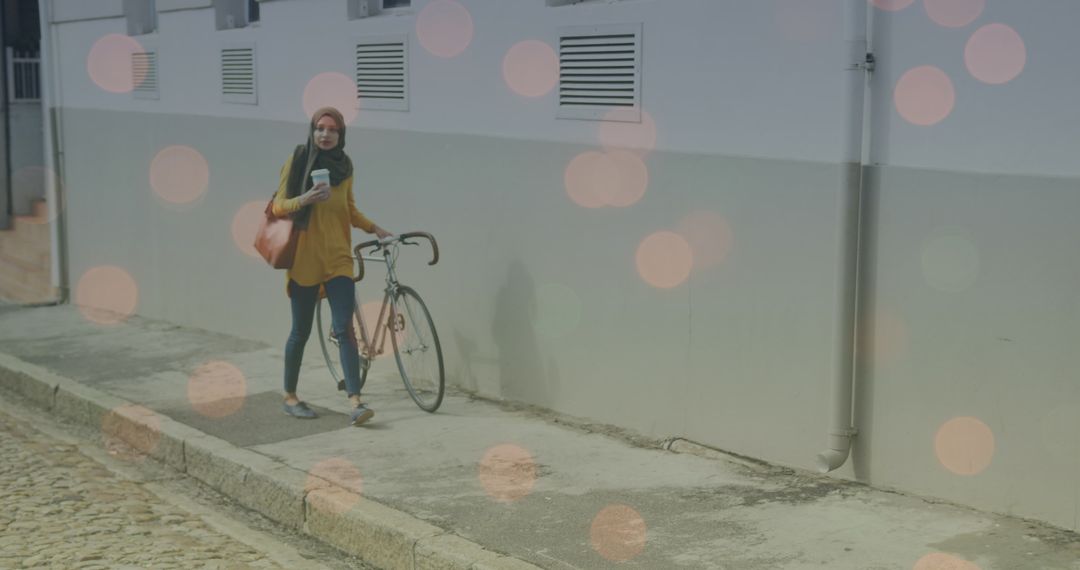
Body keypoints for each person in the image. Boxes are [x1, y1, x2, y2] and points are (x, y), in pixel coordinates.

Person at [272, 107, 391, 426]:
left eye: (332, 130)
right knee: (301, 330)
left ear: (341, 135)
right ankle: (290, 396)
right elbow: (278, 205)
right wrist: (305, 199)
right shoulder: (298, 159)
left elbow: (348, 209)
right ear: (312, 131)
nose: (325, 135)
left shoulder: (345, 167)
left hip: (338, 258)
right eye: (320, 128)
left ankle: (355, 401)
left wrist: (373, 227)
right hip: (305, 260)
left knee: (345, 328)